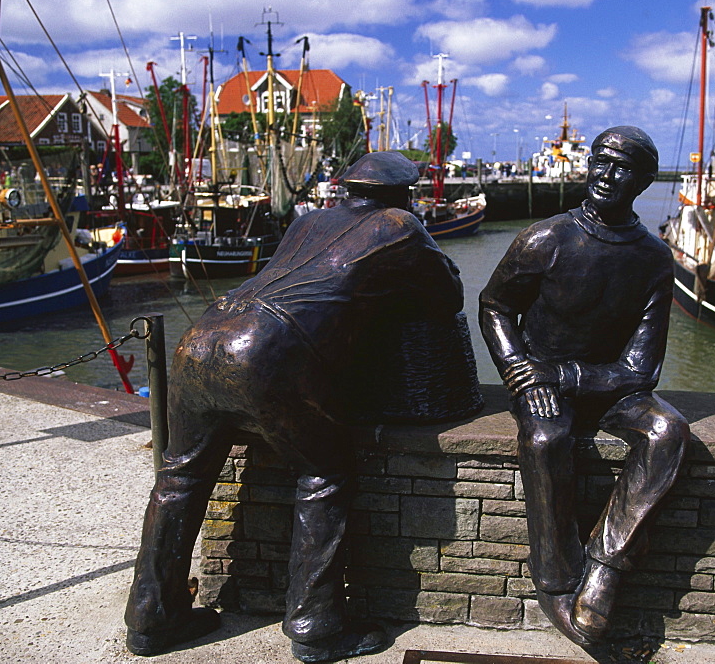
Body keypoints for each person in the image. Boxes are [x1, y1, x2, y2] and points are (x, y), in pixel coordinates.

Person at [125, 151, 465, 661]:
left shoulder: (309, 220)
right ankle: (316, 626)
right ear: (402, 193)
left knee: (179, 476)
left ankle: (152, 618)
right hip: (268, 350)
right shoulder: (398, 225)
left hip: (202, 337)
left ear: (347, 188)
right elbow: (448, 297)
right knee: (324, 475)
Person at [478, 126, 689, 646]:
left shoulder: (654, 259)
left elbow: (641, 369)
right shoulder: (547, 237)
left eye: (620, 167)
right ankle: (553, 576)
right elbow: (495, 306)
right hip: (541, 378)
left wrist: (568, 374)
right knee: (547, 439)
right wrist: (521, 373)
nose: (604, 174)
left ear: (642, 182)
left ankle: (604, 572)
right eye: (599, 161)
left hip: (612, 386)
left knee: (669, 431)